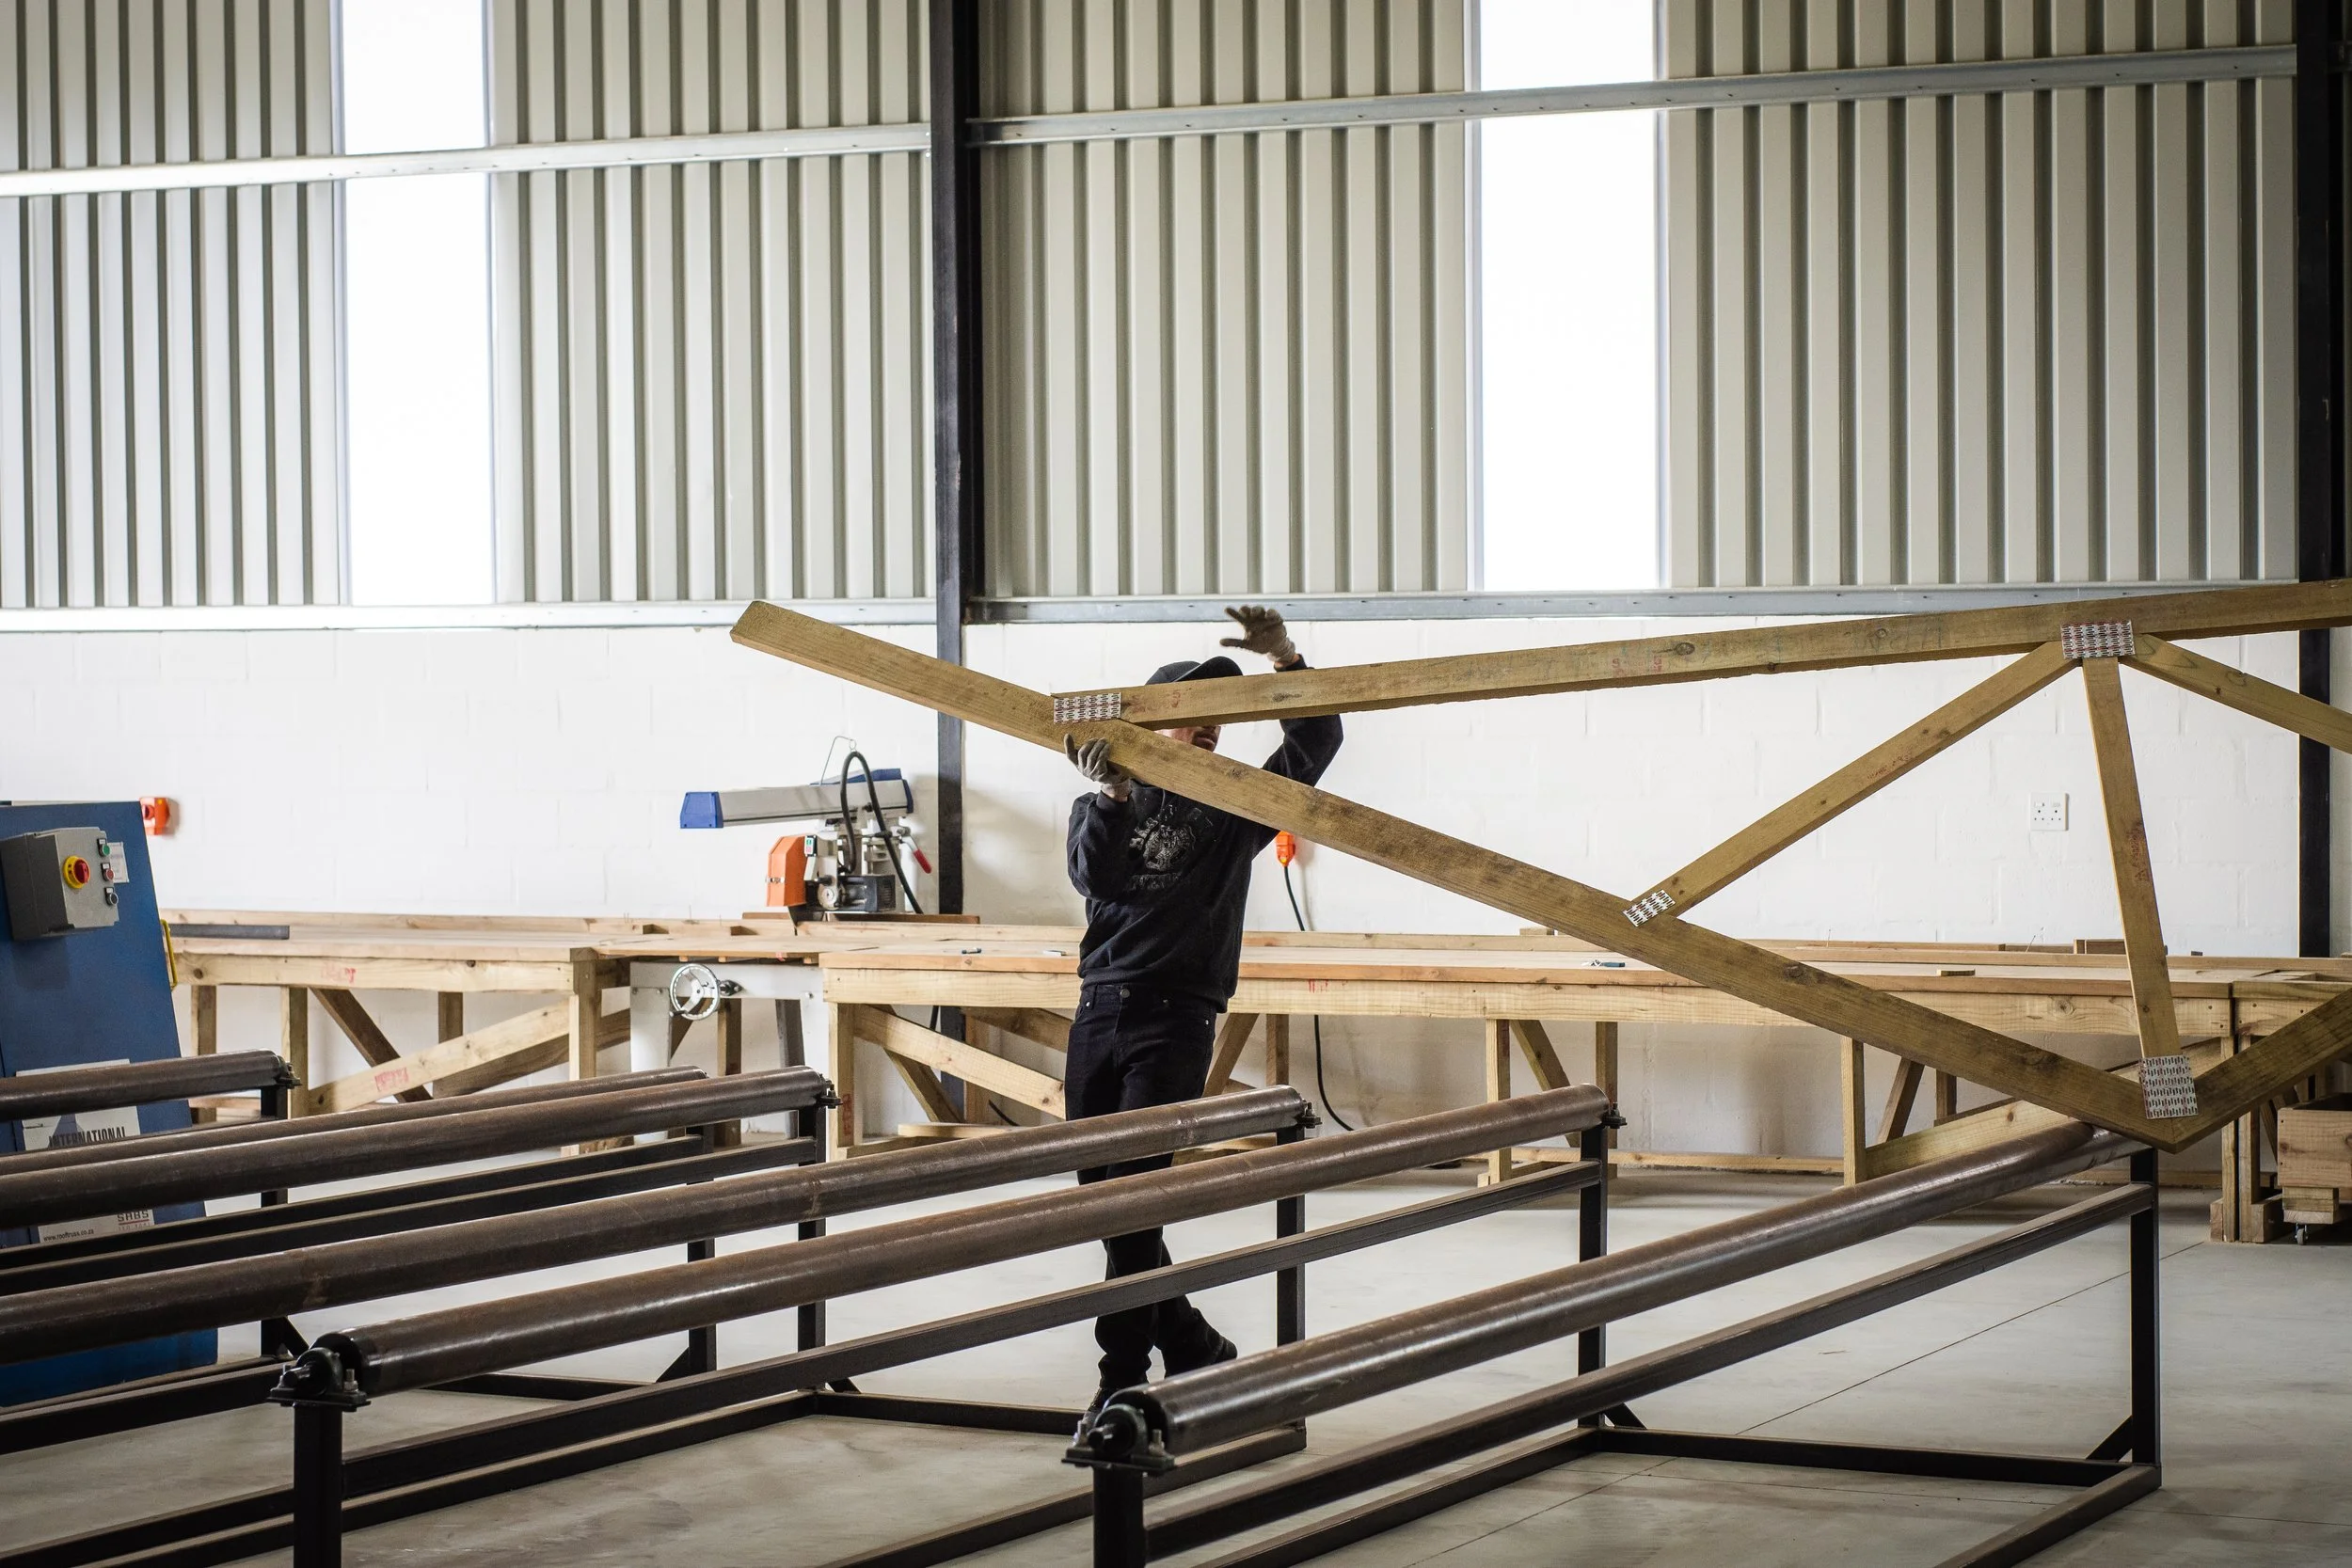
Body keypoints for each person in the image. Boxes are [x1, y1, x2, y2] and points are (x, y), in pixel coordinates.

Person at [1059, 604, 1344, 1432]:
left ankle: (1120, 1381)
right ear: (1153, 729)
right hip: (1098, 1011)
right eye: (1191, 719)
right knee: (1105, 1205)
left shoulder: (1233, 807)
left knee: (1129, 1203)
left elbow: (1313, 747)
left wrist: (1287, 659)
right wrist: (1112, 789)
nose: (1211, 729)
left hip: (1176, 1017)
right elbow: (1098, 879)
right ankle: (1189, 1338)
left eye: (1218, 718)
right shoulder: (1105, 800)